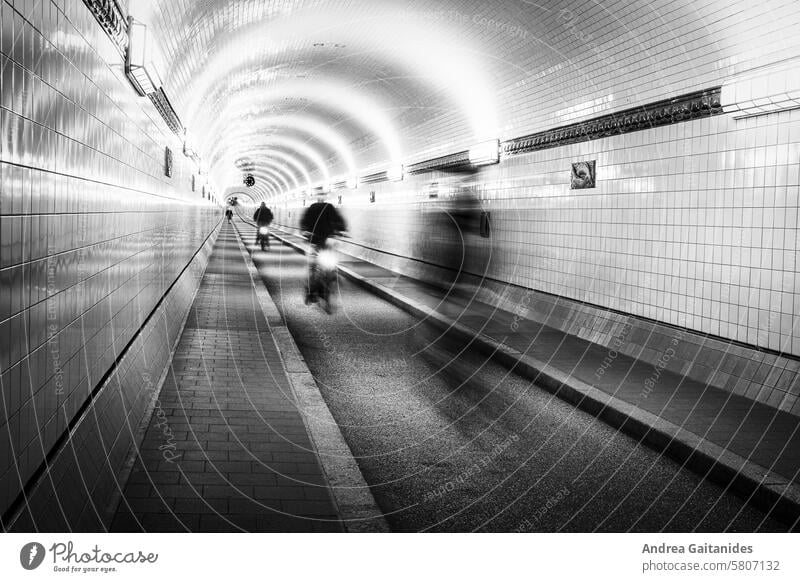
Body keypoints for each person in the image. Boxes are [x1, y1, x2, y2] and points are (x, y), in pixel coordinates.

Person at [300, 198, 346, 303]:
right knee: (313, 265)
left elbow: (339, 219)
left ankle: (332, 278)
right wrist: (305, 231)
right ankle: (310, 290)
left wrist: (342, 230)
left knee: (332, 263)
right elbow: (304, 221)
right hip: (314, 241)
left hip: (327, 241)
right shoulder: (312, 208)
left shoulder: (329, 207)